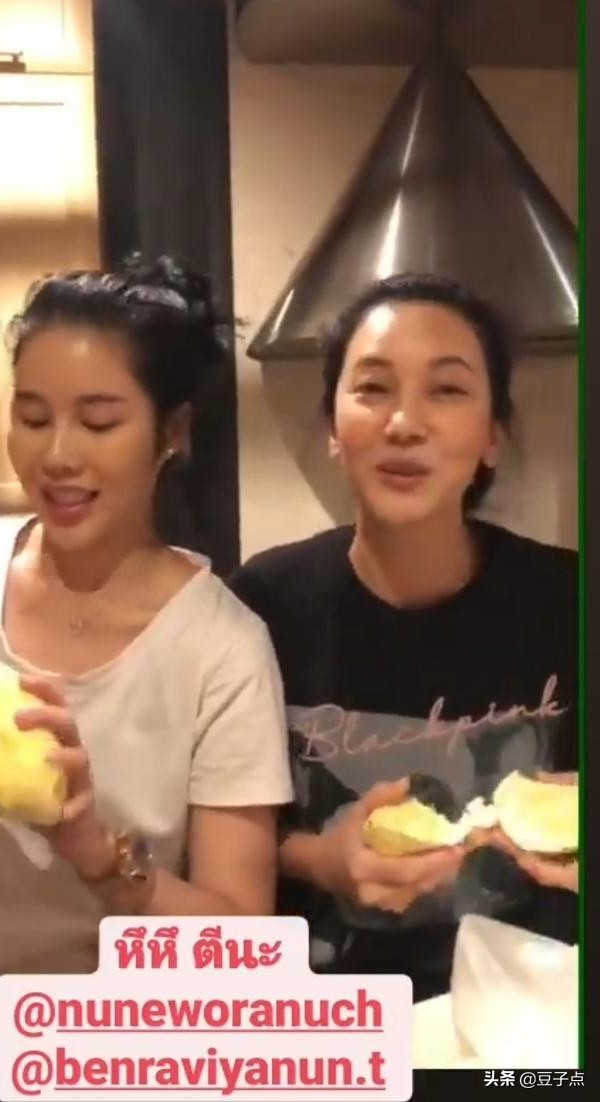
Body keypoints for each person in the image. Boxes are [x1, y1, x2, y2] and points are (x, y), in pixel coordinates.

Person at [230, 274, 578, 1001]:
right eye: (373, 388)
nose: (404, 423)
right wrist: (322, 860)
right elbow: (225, 839)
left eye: (446, 390)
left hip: (533, 1009)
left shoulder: (567, 599)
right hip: (333, 1009)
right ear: (333, 426)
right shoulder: (264, 604)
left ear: (492, 435)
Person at [0, 253, 293, 1003]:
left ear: (172, 431)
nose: (57, 456)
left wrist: (94, 851)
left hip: (108, 1026)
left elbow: (244, 942)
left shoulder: (222, 648)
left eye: (99, 422)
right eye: (32, 417)